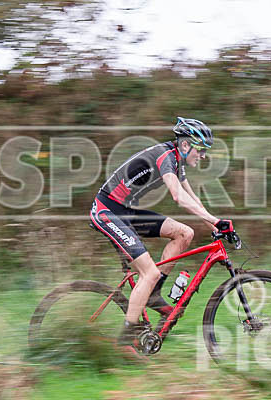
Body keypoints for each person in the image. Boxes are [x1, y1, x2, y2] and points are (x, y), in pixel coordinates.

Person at [89, 117, 234, 355]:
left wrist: (214, 225)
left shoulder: (178, 160)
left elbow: (193, 198)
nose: (204, 156)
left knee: (184, 233)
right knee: (150, 271)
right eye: (201, 150)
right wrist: (216, 221)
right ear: (186, 145)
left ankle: (153, 293)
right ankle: (125, 341)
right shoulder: (164, 157)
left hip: (125, 211)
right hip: (106, 211)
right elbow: (178, 197)